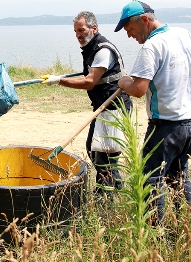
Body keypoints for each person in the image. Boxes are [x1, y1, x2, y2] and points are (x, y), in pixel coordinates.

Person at [115, 0, 191, 224]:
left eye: (130, 29)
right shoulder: (182, 34)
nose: (130, 36)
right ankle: (185, 227)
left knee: (151, 179)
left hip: (166, 126)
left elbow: (138, 90)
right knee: (178, 175)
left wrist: (123, 81)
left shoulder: (151, 46)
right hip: (190, 124)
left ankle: (154, 233)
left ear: (145, 20)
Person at [42, 11, 132, 193]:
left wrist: (59, 80)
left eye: (81, 30)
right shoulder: (91, 48)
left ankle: (107, 194)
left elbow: (90, 82)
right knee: (94, 149)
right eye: (75, 31)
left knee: (106, 155)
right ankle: (112, 187)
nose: (78, 35)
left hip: (115, 106)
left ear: (94, 28)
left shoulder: (103, 50)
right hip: (102, 106)